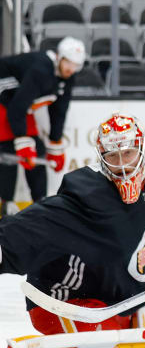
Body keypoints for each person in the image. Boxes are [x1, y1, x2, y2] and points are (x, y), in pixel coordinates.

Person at [0, 112, 145, 348]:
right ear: (101, 156)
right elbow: (35, 225)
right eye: (113, 156)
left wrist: (134, 286)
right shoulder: (86, 198)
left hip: (118, 300)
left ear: (144, 149)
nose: (123, 165)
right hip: (63, 301)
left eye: (129, 153)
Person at [0, 36, 86, 216]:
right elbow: (16, 108)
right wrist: (22, 141)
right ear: (59, 57)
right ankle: (6, 201)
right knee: (9, 149)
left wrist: (55, 144)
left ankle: (41, 201)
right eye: (69, 63)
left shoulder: (67, 76)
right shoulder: (41, 69)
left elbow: (59, 111)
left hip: (16, 103)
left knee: (36, 149)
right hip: (6, 100)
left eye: (76, 65)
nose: (72, 69)